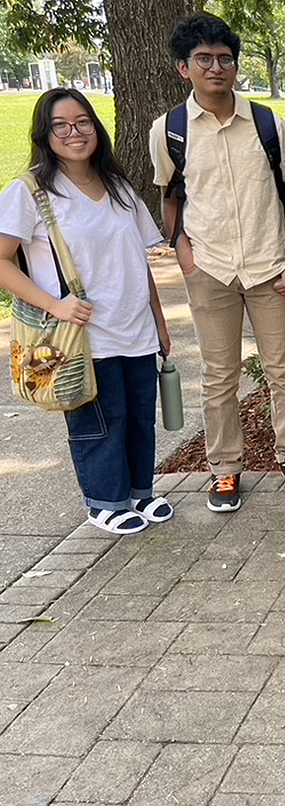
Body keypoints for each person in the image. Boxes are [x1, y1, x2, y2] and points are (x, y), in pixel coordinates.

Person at [149, 13, 285, 514]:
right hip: (211, 269)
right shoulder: (171, 129)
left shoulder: (267, 123)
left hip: (270, 266)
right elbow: (170, 195)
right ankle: (224, 469)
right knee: (219, 376)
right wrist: (182, 250)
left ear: (236, 65)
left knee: (283, 370)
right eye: (204, 59)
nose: (216, 67)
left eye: (225, 58)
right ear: (185, 68)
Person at [0, 89, 172, 535]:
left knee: (140, 416)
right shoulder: (30, 192)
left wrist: (159, 320)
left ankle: (140, 493)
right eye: (62, 125)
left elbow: (138, 260)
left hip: (135, 326)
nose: (75, 133)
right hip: (80, 334)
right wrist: (55, 304)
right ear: (45, 133)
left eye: (83, 123)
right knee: (99, 419)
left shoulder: (119, 188)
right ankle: (104, 503)